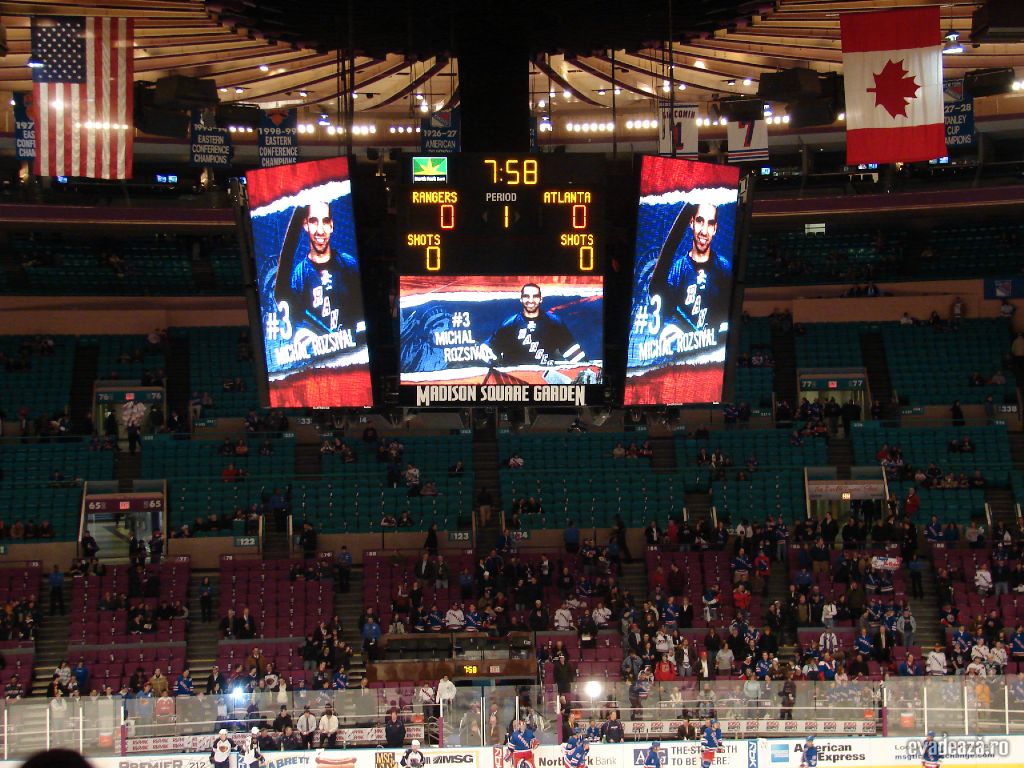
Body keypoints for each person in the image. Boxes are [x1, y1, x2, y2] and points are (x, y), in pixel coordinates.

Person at [649, 202, 731, 335]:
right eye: (700, 221)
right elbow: (665, 306)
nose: (704, 231)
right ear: (691, 222)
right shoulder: (679, 269)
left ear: (715, 228)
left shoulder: (724, 267)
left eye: (710, 223)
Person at [288, 200, 363, 335]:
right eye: (314, 221)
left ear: (331, 226)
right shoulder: (299, 276)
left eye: (325, 221)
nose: (320, 230)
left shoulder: (349, 264)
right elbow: (296, 322)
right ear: (305, 225)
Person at [485, 283, 586, 367]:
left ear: (541, 299)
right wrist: (486, 350)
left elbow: (575, 356)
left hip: (544, 379)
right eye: (526, 296)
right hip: (515, 379)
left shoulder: (554, 323)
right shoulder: (510, 324)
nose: (531, 300)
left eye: (535, 296)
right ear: (521, 299)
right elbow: (490, 351)